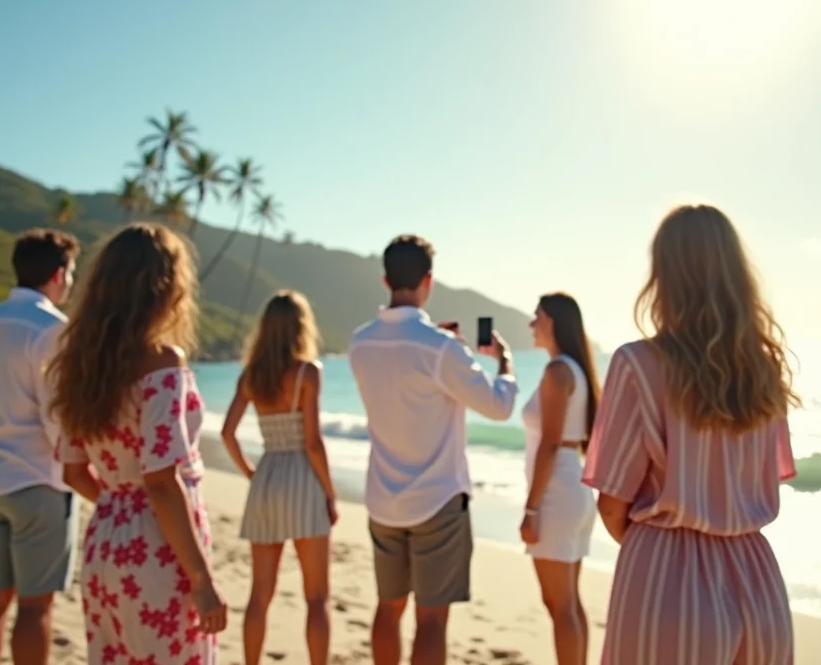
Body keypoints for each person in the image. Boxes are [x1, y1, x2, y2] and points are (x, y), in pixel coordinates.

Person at [582, 204, 798, 665]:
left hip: (668, 580)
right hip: (760, 584)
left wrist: (661, 550)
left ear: (663, 274)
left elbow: (613, 502)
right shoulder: (764, 369)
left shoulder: (637, 364)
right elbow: (760, 482)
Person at [49, 224, 227, 663]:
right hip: (157, 549)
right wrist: (202, 582)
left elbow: (74, 470)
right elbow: (162, 481)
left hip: (106, 541)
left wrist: (121, 501)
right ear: (164, 288)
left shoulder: (81, 367)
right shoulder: (162, 364)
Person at [348, 234, 519, 665]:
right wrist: (506, 364)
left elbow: (400, 373)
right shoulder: (441, 349)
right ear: (429, 281)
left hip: (384, 500)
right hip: (437, 501)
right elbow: (498, 406)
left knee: (388, 609)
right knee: (431, 622)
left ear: (386, 279)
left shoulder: (359, 342)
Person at [0, 228, 80, 665]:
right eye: (69, 273)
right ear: (56, 273)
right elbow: (57, 417)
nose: (70, 283)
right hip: (37, 481)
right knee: (35, 605)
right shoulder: (52, 329)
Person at [221, 290, 337, 665]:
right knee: (317, 596)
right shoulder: (307, 372)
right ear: (301, 328)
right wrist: (330, 494)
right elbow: (313, 443)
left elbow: (227, 432)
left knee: (260, 594)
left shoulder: (251, 376)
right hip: (303, 475)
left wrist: (250, 472)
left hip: (268, 475)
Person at [519, 292, 601, 665]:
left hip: (558, 493)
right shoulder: (577, 370)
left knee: (560, 604)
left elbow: (550, 444)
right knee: (567, 601)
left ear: (550, 321)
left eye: (536, 317)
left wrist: (532, 507)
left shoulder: (558, 372)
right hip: (577, 490)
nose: (532, 324)